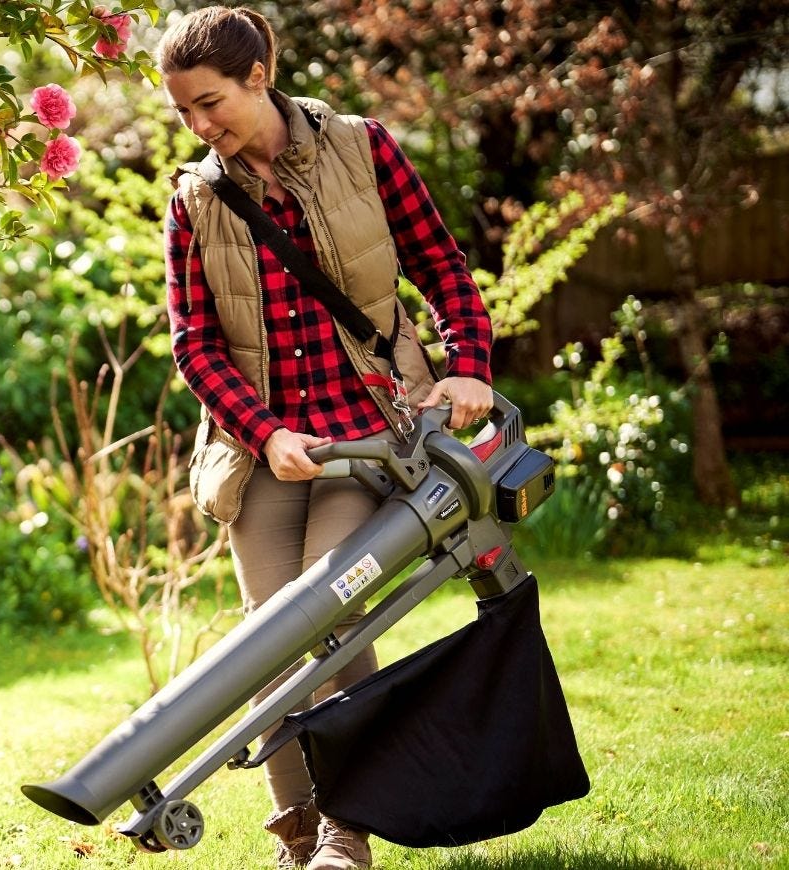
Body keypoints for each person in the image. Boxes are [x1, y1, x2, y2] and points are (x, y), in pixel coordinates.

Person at [156, 7, 495, 870]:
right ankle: (298, 830)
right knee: (267, 637)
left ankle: (351, 827)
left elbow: (442, 266)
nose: (199, 126)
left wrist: (468, 365)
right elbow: (193, 343)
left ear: (258, 76)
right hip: (263, 445)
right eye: (184, 112)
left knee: (330, 609)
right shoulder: (194, 198)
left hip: (370, 430)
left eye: (210, 103)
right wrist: (265, 433)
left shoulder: (362, 147)